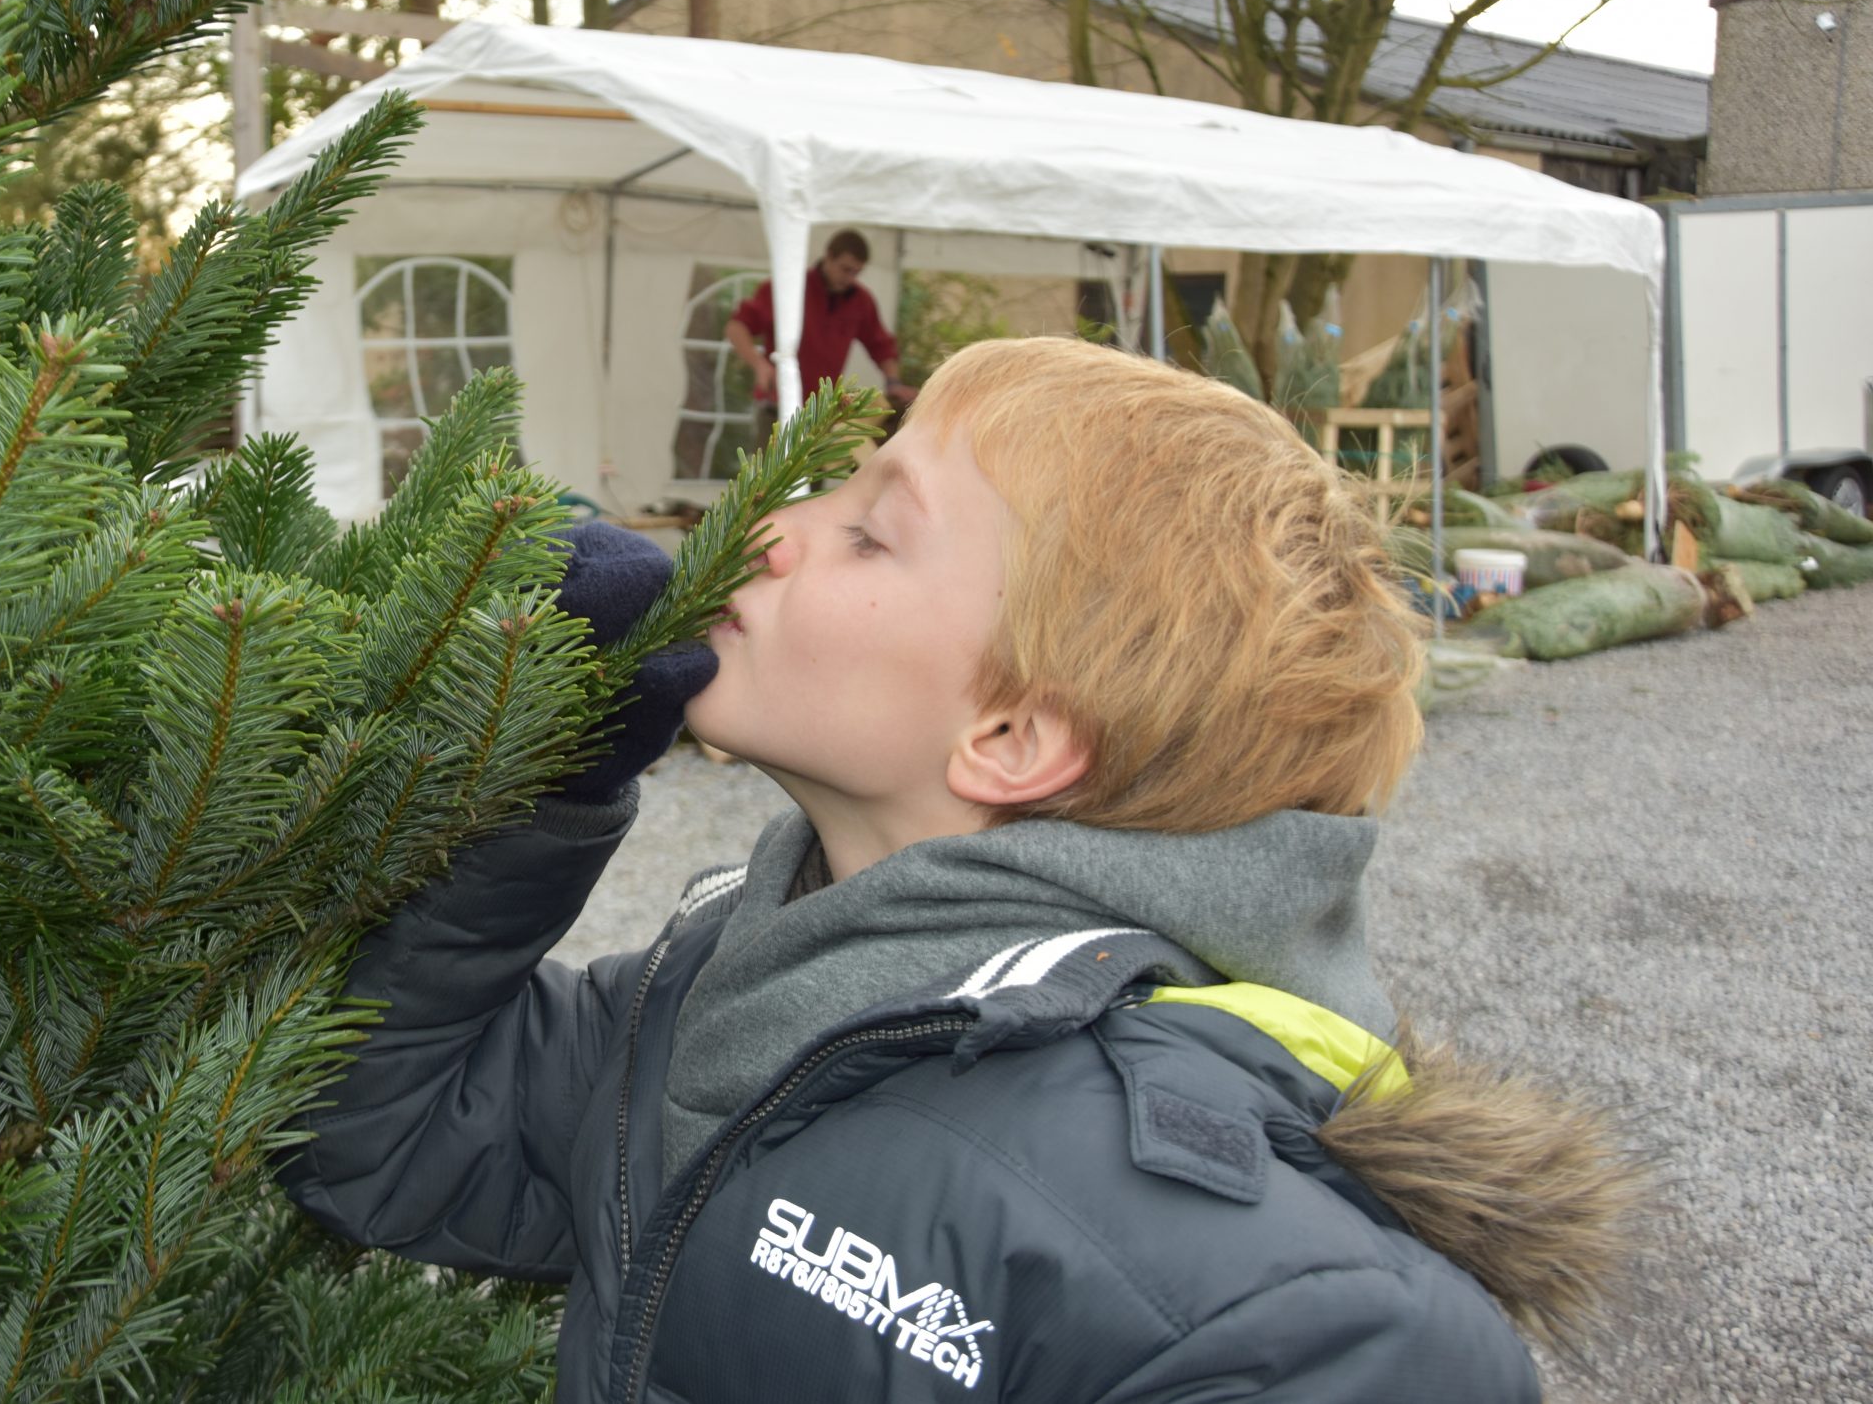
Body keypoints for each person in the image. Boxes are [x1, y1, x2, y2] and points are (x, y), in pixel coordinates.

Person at [284, 338, 1639, 1403]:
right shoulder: (734, 996)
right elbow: (391, 1130)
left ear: (1010, 734)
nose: (767, 524)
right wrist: (549, 762)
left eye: (873, 529)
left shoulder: (1291, 1314)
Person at [726, 229, 919, 447]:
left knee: (813, 478)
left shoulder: (861, 301)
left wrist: (893, 382)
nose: (849, 278)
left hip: (820, 415)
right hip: (778, 407)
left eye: (856, 272)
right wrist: (759, 364)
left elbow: (881, 345)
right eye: (845, 269)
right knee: (770, 478)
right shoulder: (789, 287)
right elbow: (737, 326)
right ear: (828, 256)